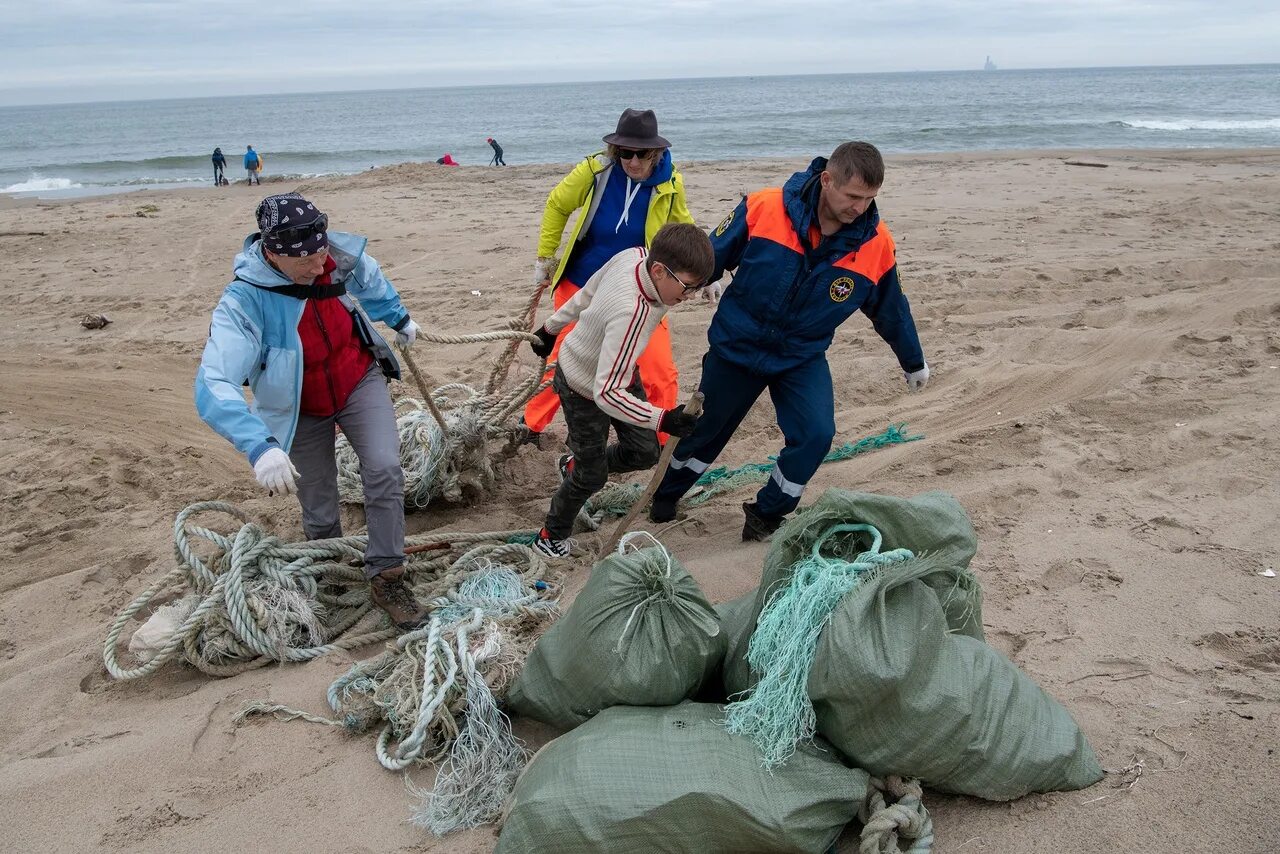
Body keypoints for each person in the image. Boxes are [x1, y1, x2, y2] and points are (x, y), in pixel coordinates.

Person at [649, 142, 930, 541]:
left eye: (870, 199)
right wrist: (658, 296)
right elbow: (707, 258)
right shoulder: (763, 207)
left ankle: (767, 514)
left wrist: (913, 361)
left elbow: (892, 309)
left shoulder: (876, 244)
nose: (860, 208)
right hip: (736, 346)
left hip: (800, 356)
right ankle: (667, 494)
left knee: (816, 434)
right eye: (853, 196)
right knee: (704, 430)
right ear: (826, 180)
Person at [194, 193, 428, 629]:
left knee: (384, 469)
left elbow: (372, 281)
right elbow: (213, 382)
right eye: (307, 261)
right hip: (297, 404)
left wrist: (399, 319)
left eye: (323, 252)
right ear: (273, 254)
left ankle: (388, 575)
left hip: (358, 377)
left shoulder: (335, 257)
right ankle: (330, 567)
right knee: (318, 500)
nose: (321, 266)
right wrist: (260, 446)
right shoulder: (243, 302)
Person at [527, 223, 715, 557]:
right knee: (592, 476)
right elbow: (606, 395)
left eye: (697, 288)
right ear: (659, 271)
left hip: (619, 371)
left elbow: (587, 292)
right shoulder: (634, 312)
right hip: (581, 386)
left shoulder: (635, 255)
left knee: (645, 453)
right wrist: (664, 419)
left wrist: (551, 326)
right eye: (687, 287)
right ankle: (549, 536)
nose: (688, 297)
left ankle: (572, 465)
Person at [522, 108, 697, 445]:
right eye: (624, 152)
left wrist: (708, 275)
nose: (632, 161)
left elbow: (684, 228)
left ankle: (664, 440)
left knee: (659, 367)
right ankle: (530, 426)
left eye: (641, 153)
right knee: (563, 359)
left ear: (656, 152)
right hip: (582, 281)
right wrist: (546, 257)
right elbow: (557, 204)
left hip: (641, 289)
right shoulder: (596, 171)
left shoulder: (671, 184)